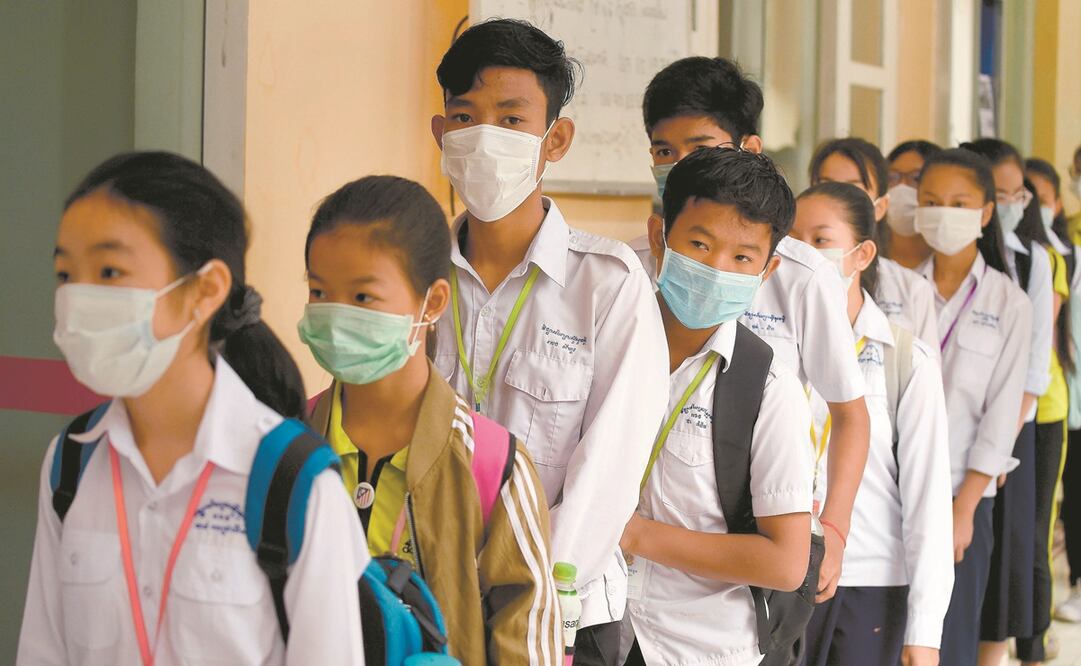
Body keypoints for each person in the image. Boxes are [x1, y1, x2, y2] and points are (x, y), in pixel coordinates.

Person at [17, 151, 368, 665]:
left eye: (109, 270)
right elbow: (42, 652)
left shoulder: (293, 482)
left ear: (203, 292)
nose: (78, 297)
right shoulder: (70, 462)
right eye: (67, 274)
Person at [429, 19, 669, 663]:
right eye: (465, 115)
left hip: (561, 614)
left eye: (511, 120)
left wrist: (519, 593)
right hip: (420, 603)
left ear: (555, 138)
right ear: (440, 133)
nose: (485, 138)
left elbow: (607, 472)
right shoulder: (413, 275)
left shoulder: (607, 286)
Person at [634, 56, 870, 608]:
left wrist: (833, 530)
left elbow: (850, 412)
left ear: (750, 150)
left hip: (758, 529)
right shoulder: (640, 262)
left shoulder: (804, 276)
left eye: (702, 148)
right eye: (664, 152)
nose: (682, 164)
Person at [298, 175, 561, 663]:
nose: (335, 315)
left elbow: (527, 640)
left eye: (361, 298)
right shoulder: (289, 444)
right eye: (318, 291)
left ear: (433, 303)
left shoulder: (494, 467)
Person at [619, 146, 813, 666]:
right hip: (589, 626)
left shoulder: (767, 388)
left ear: (767, 269)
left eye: (742, 257)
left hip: (699, 647)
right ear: (660, 236)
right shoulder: (604, 344)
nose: (716, 267)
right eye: (699, 244)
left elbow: (786, 562)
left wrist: (635, 534)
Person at [791, 182, 953, 666]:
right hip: (781, 575)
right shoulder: (774, 349)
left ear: (861, 254)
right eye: (792, 240)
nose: (803, 254)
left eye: (820, 240)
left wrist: (924, 631)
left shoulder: (906, 360)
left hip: (869, 585)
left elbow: (928, 505)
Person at [913, 148, 1033, 666]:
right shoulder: (897, 288)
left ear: (985, 213)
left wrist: (964, 509)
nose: (944, 213)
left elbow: (1002, 417)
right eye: (931, 201)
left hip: (962, 495)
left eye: (959, 202)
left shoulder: (1009, 302)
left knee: (952, 635)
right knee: (895, 631)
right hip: (893, 490)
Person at [960, 138, 1053, 666]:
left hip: (1008, 444)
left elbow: (1032, 373)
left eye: (1019, 193)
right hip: (952, 439)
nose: (1014, 204)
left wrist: (995, 457)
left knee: (1000, 582)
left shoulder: (1031, 261)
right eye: (1001, 192)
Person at [1015, 156, 1075, 662]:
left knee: (1036, 527)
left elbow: (1045, 338)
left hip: (1046, 408)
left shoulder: (1047, 258)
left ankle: (1035, 638)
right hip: (1011, 406)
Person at [809, 138, 939, 349]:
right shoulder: (787, 273)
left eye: (853, 190)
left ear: (880, 206)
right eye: (826, 186)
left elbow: (926, 375)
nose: (836, 201)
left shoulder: (912, 290)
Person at [886, 140, 942, 270]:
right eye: (893, 177)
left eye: (916, 178)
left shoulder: (947, 258)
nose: (902, 186)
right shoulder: (867, 251)